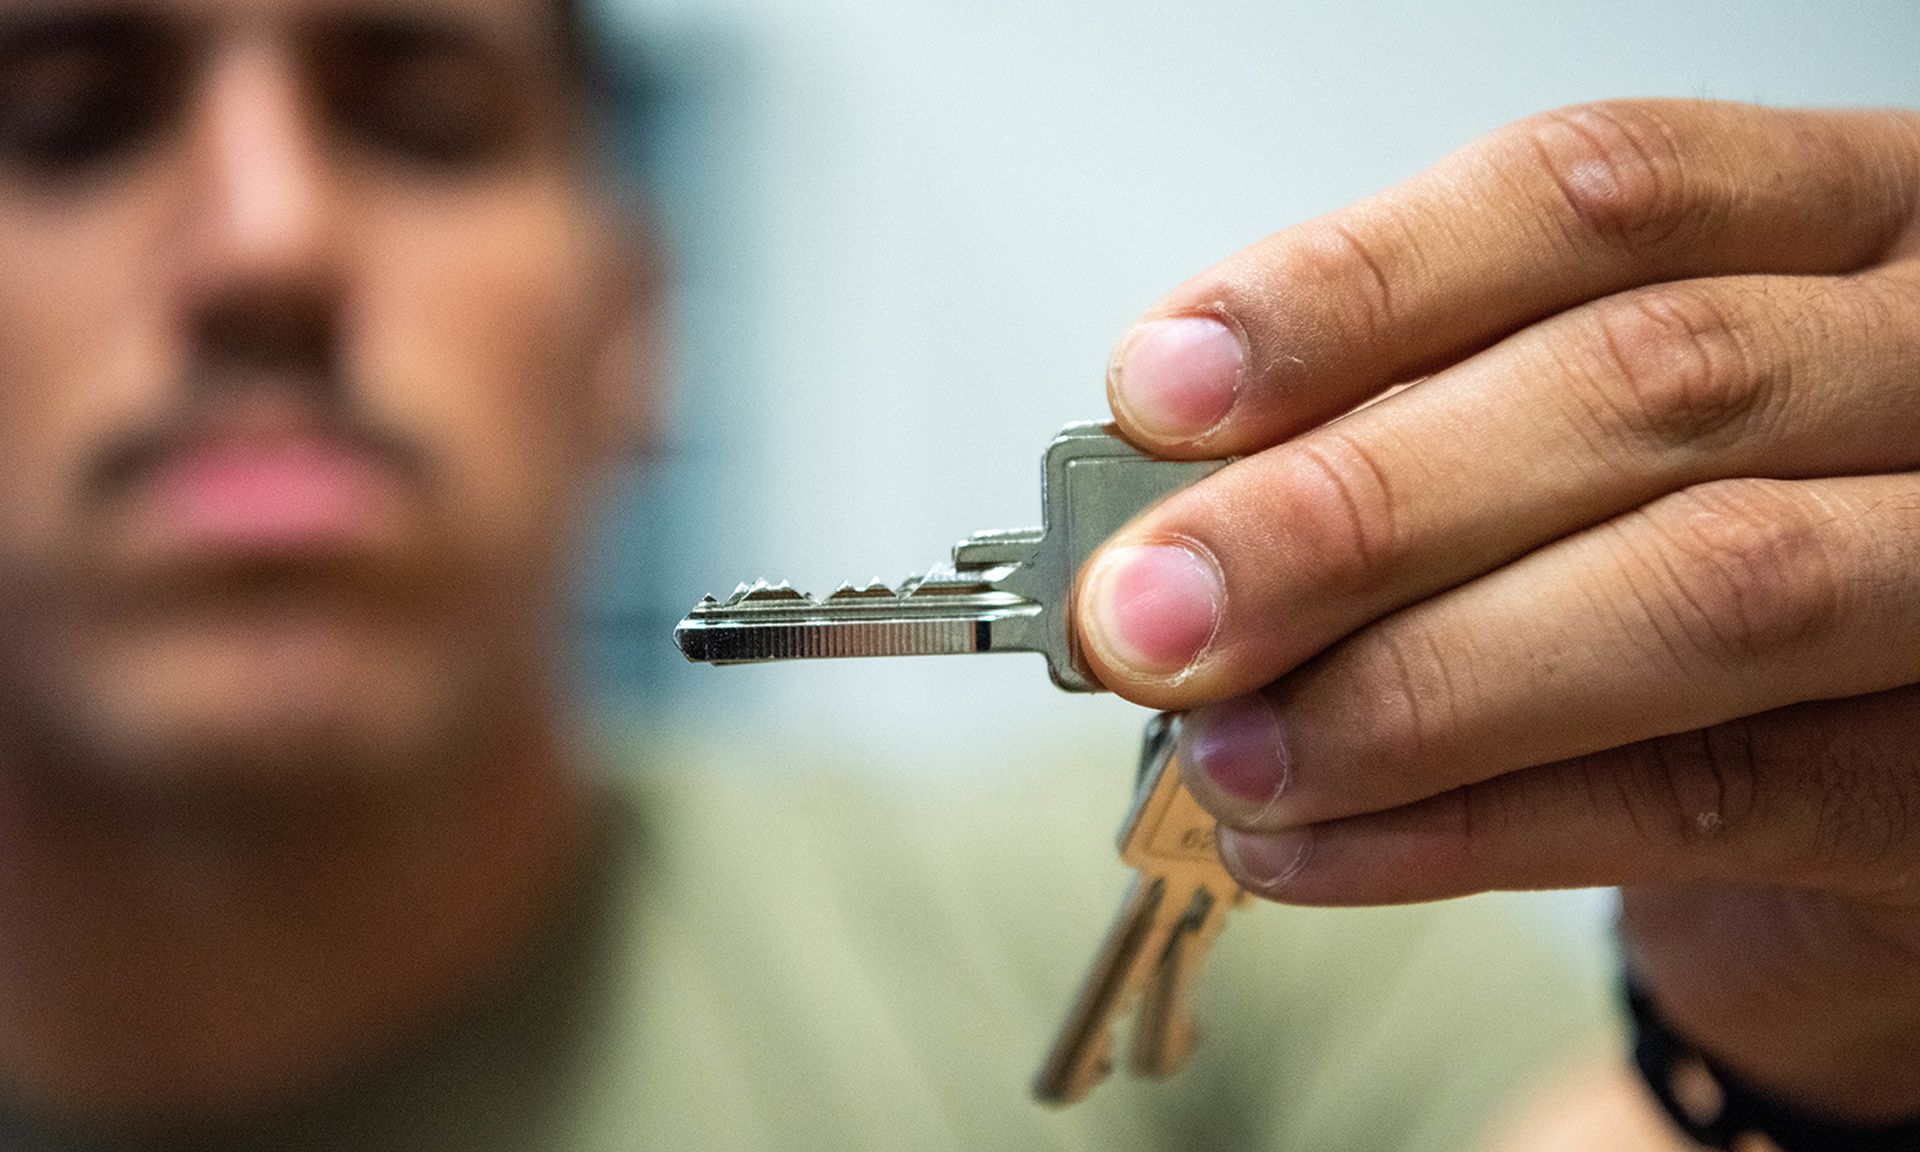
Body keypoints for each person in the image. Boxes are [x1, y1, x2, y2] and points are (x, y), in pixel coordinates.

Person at [0, 0, 1910, 1149]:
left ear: (637, 327)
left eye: (420, 114)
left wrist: (1834, 1048)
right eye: (64, 115)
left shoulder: (1257, 901)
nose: (264, 246)